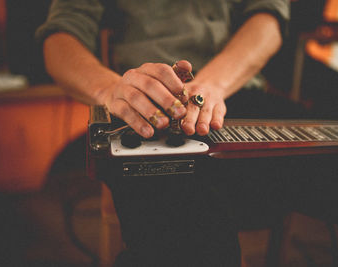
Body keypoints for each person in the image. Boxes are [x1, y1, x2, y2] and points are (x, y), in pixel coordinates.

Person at [36, 1, 294, 266]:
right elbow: (59, 38)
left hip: (239, 92)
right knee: (188, 237)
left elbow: (269, 17)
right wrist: (111, 90)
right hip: (145, 108)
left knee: (334, 174)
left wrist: (211, 83)